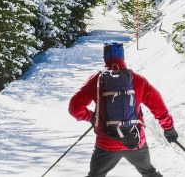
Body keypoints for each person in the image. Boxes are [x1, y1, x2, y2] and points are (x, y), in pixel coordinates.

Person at [67, 41, 177, 177]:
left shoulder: (97, 79)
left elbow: (74, 108)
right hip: (135, 140)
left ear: (105, 57)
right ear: (122, 57)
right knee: (150, 173)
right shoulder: (137, 79)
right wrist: (168, 128)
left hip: (106, 142)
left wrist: (91, 117)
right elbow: (158, 105)